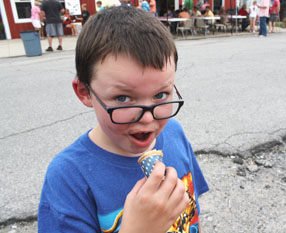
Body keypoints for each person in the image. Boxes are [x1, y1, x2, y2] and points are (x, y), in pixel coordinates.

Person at [38, 6, 209, 233]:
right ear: (84, 92)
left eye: (161, 95)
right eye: (123, 98)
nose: (148, 118)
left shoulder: (174, 134)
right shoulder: (68, 177)